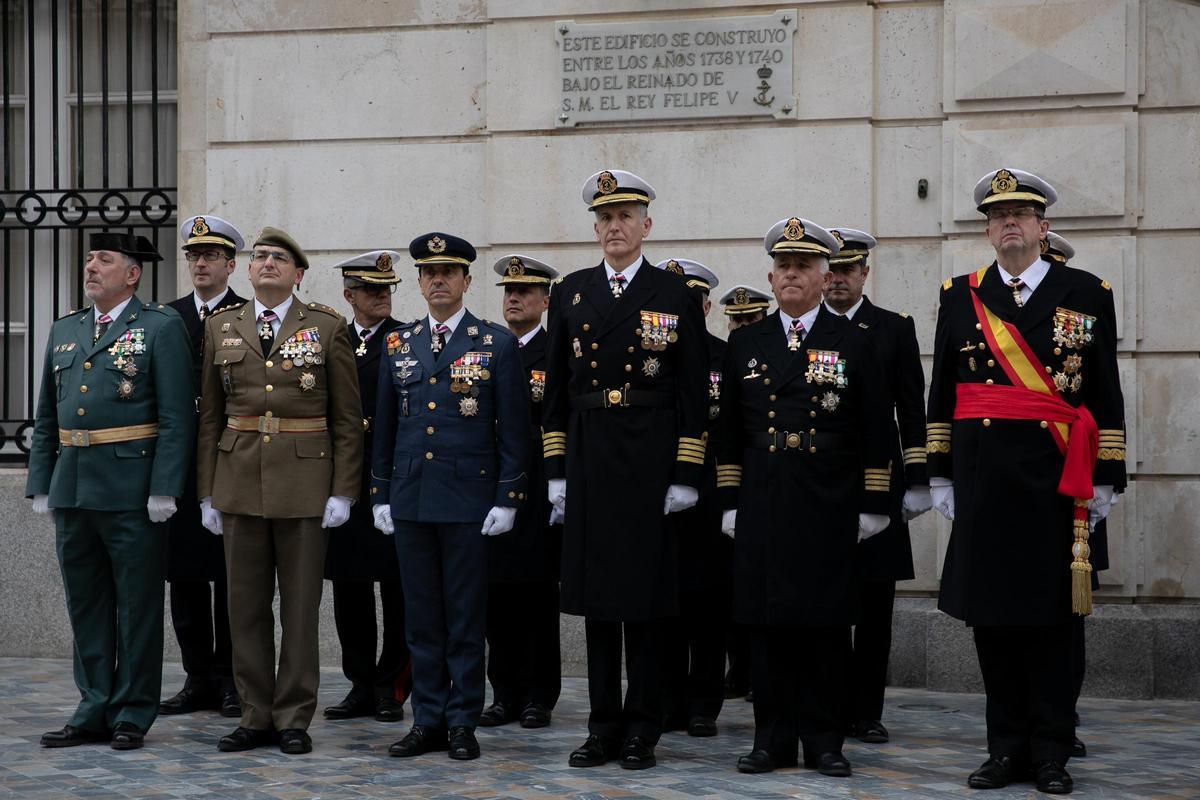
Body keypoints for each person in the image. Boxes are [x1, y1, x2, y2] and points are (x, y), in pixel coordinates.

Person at [927, 169, 1126, 795]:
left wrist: (1106, 477)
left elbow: (1105, 390)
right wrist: (940, 474)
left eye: (1021, 214)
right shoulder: (960, 296)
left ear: (1043, 227)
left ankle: (1051, 751)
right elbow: (943, 393)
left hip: (1057, 483)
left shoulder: (1085, 292)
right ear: (988, 231)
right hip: (985, 482)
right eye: (997, 215)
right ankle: (1005, 749)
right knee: (993, 623)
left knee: (1053, 625)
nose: (1008, 222)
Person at [542, 169, 708, 770]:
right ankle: (601, 727)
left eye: (625, 217)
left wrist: (686, 473)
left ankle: (643, 726)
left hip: (649, 458)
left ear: (646, 226)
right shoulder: (572, 292)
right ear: (596, 228)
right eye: (605, 218)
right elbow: (556, 390)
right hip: (590, 455)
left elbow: (693, 393)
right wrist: (556, 469)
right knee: (597, 604)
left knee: (645, 604)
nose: (615, 227)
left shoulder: (674, 293)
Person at [716, 216, 892, 777]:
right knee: (766, 627)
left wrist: (874, 504)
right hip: (764, 499)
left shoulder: (854, 342)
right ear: (771, 279)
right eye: (783, 266)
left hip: (828, 500)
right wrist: (729, 501)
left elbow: (876, 428)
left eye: (803, 266)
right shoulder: (745, 342)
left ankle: (823, 741)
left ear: (824, 277)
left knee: (825, 627)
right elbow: (728, 431)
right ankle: (770, 739)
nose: (792, 274)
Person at [196, 226, 363, 755]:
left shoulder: (327, 327)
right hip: (238, 480)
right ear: (248, 271)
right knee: (244, 607)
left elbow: (347, 419)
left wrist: (343, 491)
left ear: (298, 274)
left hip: (305, 483)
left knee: (299, 608)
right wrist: (206, 492)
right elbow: (210, 417)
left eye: (280, 259)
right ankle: (254, 714)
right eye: (261, 256)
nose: (268, 263)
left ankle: (293, 716)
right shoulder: (221, 326)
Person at [27, 232, 194, 750]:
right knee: (86, 603)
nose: (91, 266)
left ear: (133, 273)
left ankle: (132, 711)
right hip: (73, 486)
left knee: (136, 606)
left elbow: (176, 416)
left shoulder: (159, 326)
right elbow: (48, 414)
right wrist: (41, 482)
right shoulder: (66, 328)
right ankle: (93, 704)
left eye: (104, 259)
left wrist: (165, 487)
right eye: (89, 259)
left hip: (131, 489)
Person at [372, 233, 530, 761]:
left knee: (464, 617)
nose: (438, 280)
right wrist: (380, 493)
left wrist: (508, 497)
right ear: (418, 282)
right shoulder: (399, 344)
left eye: (448, 272)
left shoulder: (496, 344)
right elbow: (386, 427)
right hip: (411, 497)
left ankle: (462, 721)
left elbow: (513, 429)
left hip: (468, 500)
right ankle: (427, 719)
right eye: (429, 273)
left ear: (466, 280)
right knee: (421, 618)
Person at [822, 227, 932, 743]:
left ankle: (866, 710)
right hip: (822, 481)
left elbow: (911, 408)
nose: (838, 279)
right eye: (831, 270)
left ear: (865, 273)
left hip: (880, 478)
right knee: (825, 600)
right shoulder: (806, 327)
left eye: (848, 269)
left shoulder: (892, 328)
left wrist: (918, 479)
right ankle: (828, 703)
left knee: (874, 604)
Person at [161, 215, 247, 719]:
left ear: (230, 265)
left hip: (233, 461)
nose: (200, 264)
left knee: (233, 576)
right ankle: (197, 677)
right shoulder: (168, 317)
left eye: (211, 255)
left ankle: (232, 677)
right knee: (185, 574)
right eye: (194, 255)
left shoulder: (248, 315)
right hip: (182, 464)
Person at [323, 250, 412, 723]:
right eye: (370, 290)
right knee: (349, 587)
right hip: (345, 477)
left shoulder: (406, 339)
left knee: (398, 589)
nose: (381, 296)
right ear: (349, 295)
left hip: (392, 476)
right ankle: (359, 682)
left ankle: (391, 686)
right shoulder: (332, 339)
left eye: (386, 289)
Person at [479, 254, 563, 730]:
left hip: (538, 490)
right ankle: (504, 692)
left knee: (536, 596)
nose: (514, 298)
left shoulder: (556, 353)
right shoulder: (488, 348)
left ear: (545, 301)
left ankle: (538, 695)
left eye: (525, 291)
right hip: (489, 487)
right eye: (509, 291)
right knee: (495, 596)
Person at [1041, 229, 1111, 761]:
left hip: (1075, 479)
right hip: (1023, 479)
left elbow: (1105, 392)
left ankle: (1063, 716)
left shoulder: (1083, 305)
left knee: (1069, 619)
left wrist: (1107, 475)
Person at [654, 258, 729, 738]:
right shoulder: (652, 358)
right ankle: (668, 701)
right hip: (660, 498)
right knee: (666, 606)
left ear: (704, 306)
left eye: (692, 300)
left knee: (709, 609)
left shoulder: (727, 355)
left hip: (711, 497)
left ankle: (704, 703)